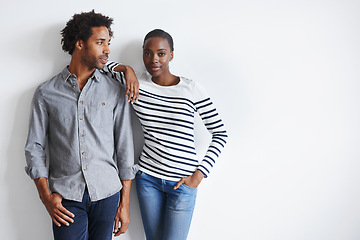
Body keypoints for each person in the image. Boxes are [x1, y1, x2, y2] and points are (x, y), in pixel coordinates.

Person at [24, 10, 138, 240]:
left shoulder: (115, 90)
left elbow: (125, 148)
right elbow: (34, 147)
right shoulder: (46, 93)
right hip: (66, 198)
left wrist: (124, 204)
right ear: (79, 44)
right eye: (99, 42)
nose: (107, 49)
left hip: (107, 194)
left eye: (108, 43)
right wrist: (46, 196)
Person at [105, 29, 228, 240]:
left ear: (171, 55)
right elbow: (102, 64)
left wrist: (199, 175)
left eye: (161, 53)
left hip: (183, 183)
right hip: (148, 180)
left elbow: (220, 133)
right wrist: (127, 69)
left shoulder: (191, 88)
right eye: (147, 53)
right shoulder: (136, 86)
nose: (154, 59)